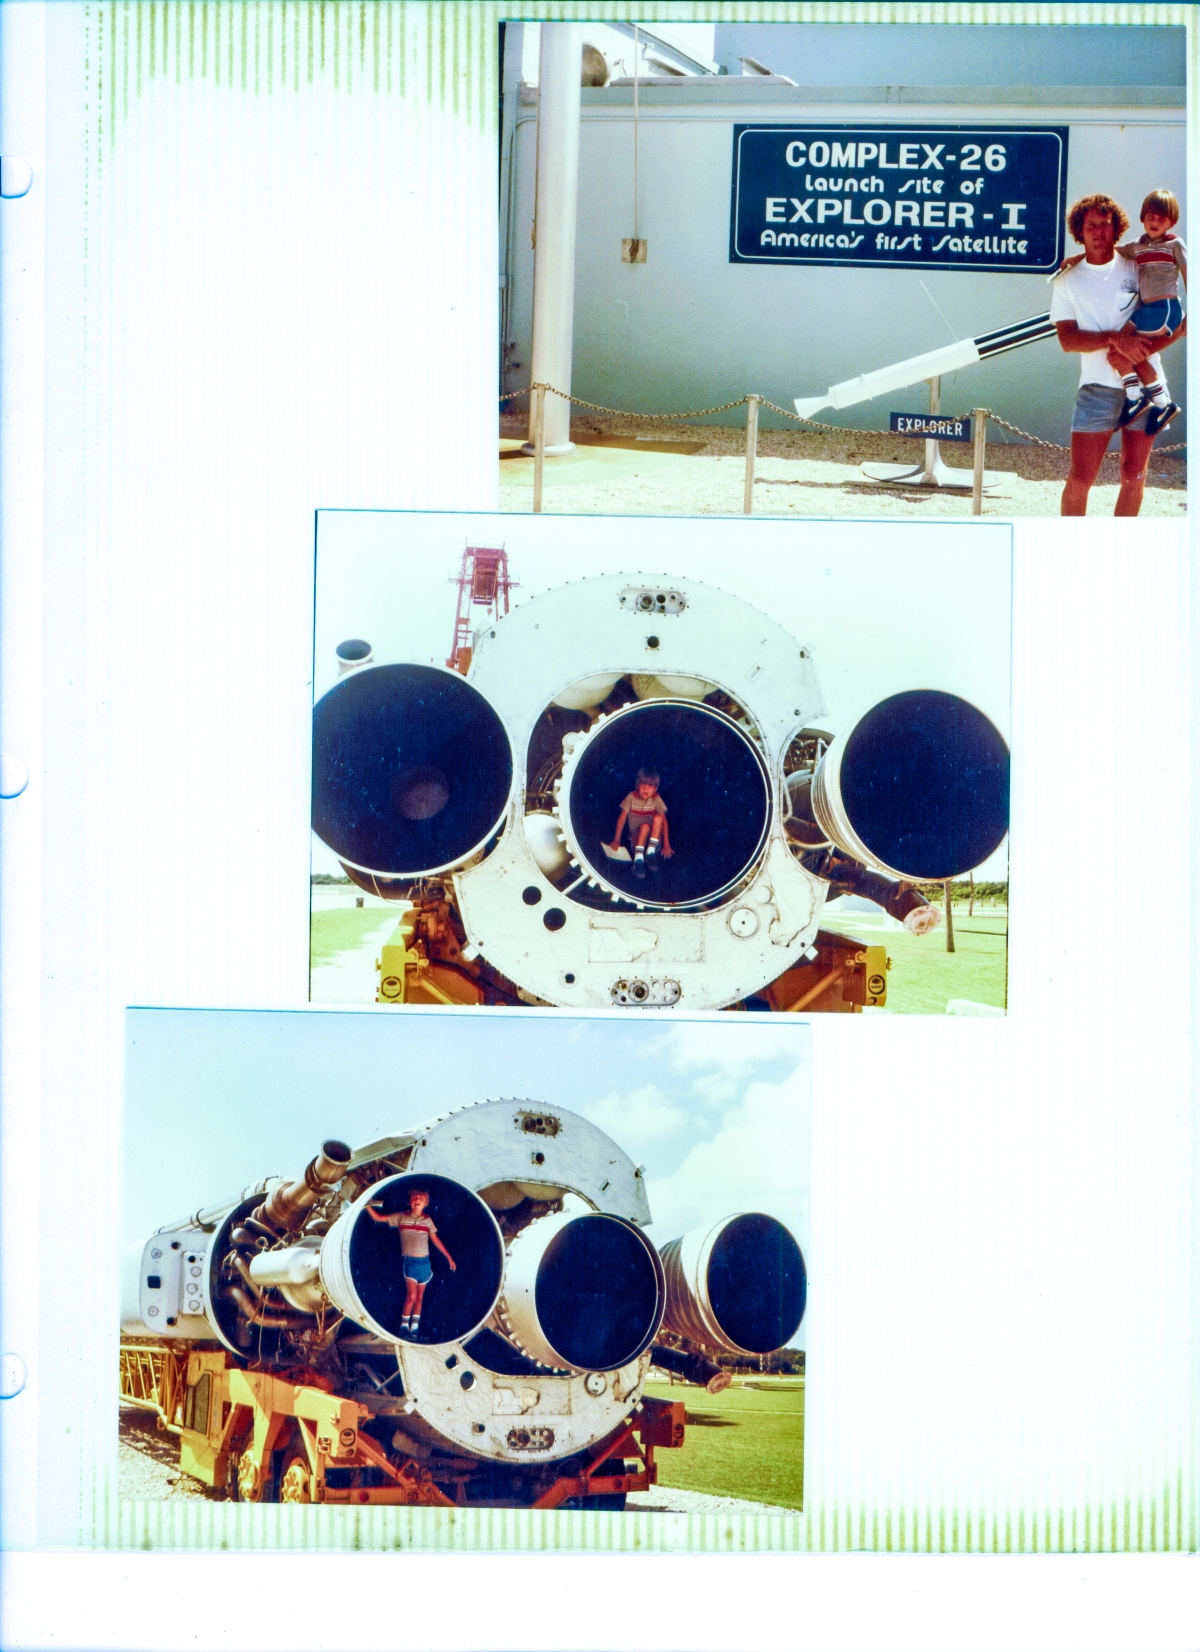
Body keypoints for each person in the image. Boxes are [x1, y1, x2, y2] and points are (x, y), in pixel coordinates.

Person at [1049, 193, 1186, 517]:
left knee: (1133, 478)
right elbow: (1068, 340)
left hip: (1146, 383)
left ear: (1117, 229)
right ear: (1078, 232)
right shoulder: (1066, 279)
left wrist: (1137, 354)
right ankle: (1071, 551)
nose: (1098, 232)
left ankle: (1119, 551)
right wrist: (1115, 340)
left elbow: (1175, 325)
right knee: (1080, 480)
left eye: (1105, 225)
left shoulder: (1138, 264)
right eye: (1091, 226)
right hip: (1096, 388)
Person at [1060, 188, 1186, 432]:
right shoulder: (1136, 249)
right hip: (1101, 379)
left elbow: (1190, 282)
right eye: (1150, 216)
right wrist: (1078, 258)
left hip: (1158, 338)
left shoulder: (1162, 251)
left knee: (1123, 353)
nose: (1098, 232)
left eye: (1105, 224)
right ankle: (1139, 399)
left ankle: (1159, 402)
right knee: (1120, 350)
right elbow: (1109, 250)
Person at [367, 1186, 456, 1338]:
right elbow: (378, 1218)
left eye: (420, 1199)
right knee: (411, 1297)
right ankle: (403, 1328)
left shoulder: (427, 1220)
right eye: (414, 1198)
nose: (417, 1201)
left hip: (425, 1264)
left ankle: (414, 1329)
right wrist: (367, 1205)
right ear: (409, 1202)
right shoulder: (401, 1217)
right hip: (411, 1264)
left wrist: (449, 1257)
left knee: (420, 1298)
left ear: (426, 1203)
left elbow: (435, 1240)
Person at [607, 768, 672, 880]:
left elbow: (664, 822)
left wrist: (666, 845)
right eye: (643, 785)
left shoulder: (656, 799)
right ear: (638, 785)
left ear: (655, 789)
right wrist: (616, 840)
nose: (646, 788)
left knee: (658, 817)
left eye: (650, 786)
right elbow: (621, 819)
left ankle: (650, 854)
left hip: (654, 841)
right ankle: (638, 860)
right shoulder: (631, 797)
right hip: (637, 839)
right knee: (645, 827)